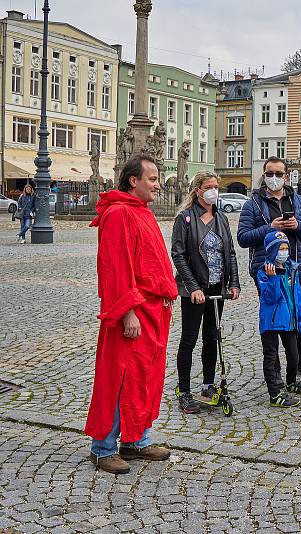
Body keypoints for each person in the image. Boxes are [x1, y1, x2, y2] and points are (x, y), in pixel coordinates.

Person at [85, 154, 178, 475]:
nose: (157, 184)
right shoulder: (119, 214)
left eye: (157, 178)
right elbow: (115, 268)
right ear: (133, 180)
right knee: (119, 377)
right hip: (132, 313)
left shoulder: (141, 212)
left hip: (153, 313)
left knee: (143, 377)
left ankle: (136, 439)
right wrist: (127, 312)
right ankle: (103, 447)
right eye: (151, 178)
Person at [238, 156, 301, 380]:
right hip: (268, 271)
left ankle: (300, 361)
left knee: (299, 316)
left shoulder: (300, 202)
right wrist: (269, 228)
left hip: (295, 269)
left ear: (286, 176)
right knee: (274, 318)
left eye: (278, 174)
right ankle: (274, 369)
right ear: (264, 176)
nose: (274, 178)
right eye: (269, 174)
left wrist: (298, 225)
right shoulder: (253, 204)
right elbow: (243, 238)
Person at [170, 171, 241, 414]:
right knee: (189, 339)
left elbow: (230, 252)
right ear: (198, 190)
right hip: (195, 288)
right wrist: (193, 287)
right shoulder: (186, 218)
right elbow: (178, 255)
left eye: (216, 187)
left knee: (212, 336)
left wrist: (234, 283)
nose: (213, 191)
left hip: (216, 286)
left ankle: (208, 384)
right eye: (209, 187)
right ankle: (184, 390)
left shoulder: (221, 218)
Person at [257, 230, 301, 407]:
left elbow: (298, 297)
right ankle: (274, 393)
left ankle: (291, 382)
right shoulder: (264, 272)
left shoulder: (292, 268)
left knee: (294, 355)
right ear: (272, 251)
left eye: (286, 248)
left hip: (289, 321)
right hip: (271, 322)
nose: (284, 252)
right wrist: (273, 278)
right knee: (271, 357)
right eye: (280, 249)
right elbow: (269, 298)